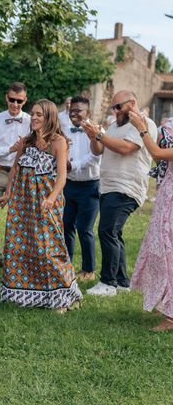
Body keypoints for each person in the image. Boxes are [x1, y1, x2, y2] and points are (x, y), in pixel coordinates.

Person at [0, 99, 82, 311]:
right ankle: (24, 293)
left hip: (46, 202)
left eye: (39, 115)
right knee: (20, 246)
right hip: (22, 202)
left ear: (49, 118)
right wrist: (8, 194)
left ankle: (63, 295)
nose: (34, 118)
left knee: (49, 249)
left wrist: (52, 197)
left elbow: (62, 177)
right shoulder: (26, 142)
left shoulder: (58, 142)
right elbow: (15, 169)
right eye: (33, 114)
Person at [82, 90, 157, 296]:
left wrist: (100, 135)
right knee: (114, 232)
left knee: (107, 231)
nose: (115, 111)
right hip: (107, 186)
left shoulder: (144, 123)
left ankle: (109, 282)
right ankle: (123, 281)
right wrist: (93, 136)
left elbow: (126, 148)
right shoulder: (115, 126)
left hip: (126, 187)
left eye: (118, 107)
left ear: (132, 103)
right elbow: (98, 150)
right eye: (112, 108)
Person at [127, 110, 173, 331]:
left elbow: (157, 153)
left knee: (168, 252)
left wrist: (142, 128)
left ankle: (171, 316)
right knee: (162, 250)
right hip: (167, 195)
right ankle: (167, 302)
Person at [0, 82, 31, 269]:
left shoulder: (30, 120)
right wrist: (10, 149)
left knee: (19, 217)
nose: (15, 104)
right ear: (6, 97)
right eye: (12, 100)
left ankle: (17, 257)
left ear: (25, 100)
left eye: (19, 101)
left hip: (20, 174)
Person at [62, 96, 101, 281]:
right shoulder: (64, 130)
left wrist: (72, 165)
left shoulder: (97, 131)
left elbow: (95, 156)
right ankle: (66, 265)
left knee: (85, 228)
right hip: (68, 185)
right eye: (72, 110)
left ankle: (89, 270)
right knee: (66, 225)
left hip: (90, 186)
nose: (74, 113)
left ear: (88, 113)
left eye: (78, 110)